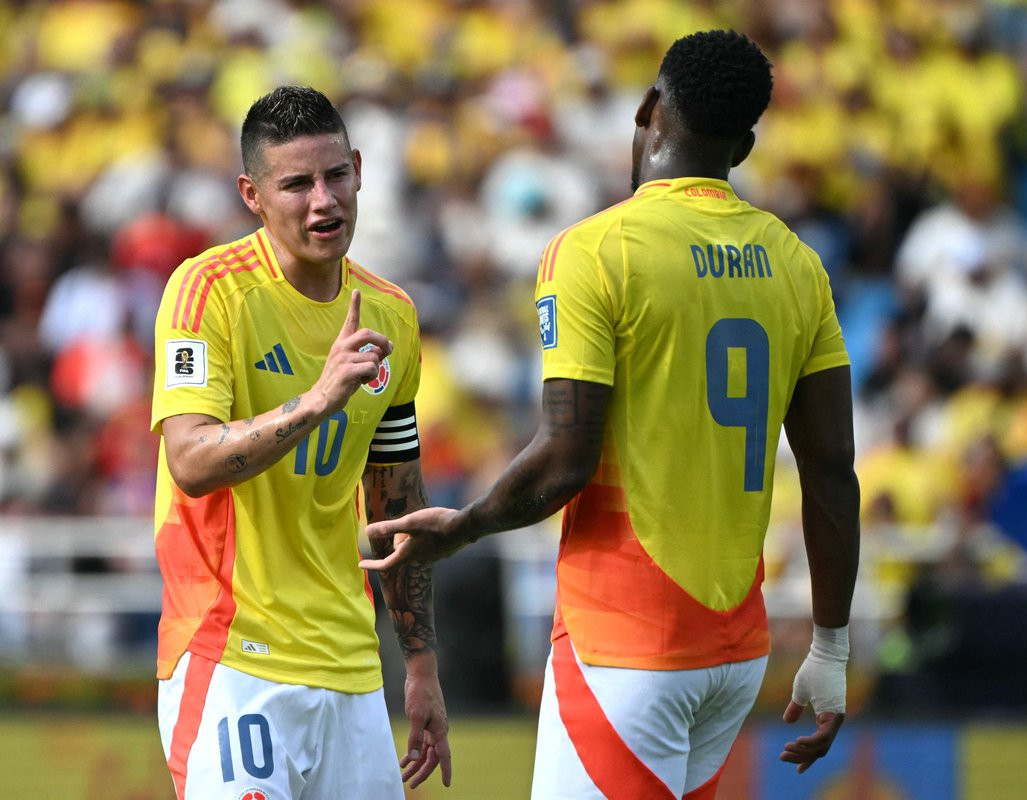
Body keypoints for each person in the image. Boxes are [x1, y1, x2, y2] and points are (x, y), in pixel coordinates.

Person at [361, 30, 860, 799]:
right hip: (735, 652)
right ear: (745, 146)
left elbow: (565, 460)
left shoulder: (595, 251)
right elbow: (831, 470)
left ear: (648, 107)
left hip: (627, 640)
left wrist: (464, 526)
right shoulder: (796, 263)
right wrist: (830, 646)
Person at [150, 85, 451, 799]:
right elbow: (189, 461)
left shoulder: (392, 314)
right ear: (252, 195)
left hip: (350, 669)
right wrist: (318, 399)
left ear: (358, 169)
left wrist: (420, 665)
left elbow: (396, 502)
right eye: (296, 185)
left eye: (335, 175)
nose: (323, 201)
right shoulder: (207, 291)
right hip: (233, 657)